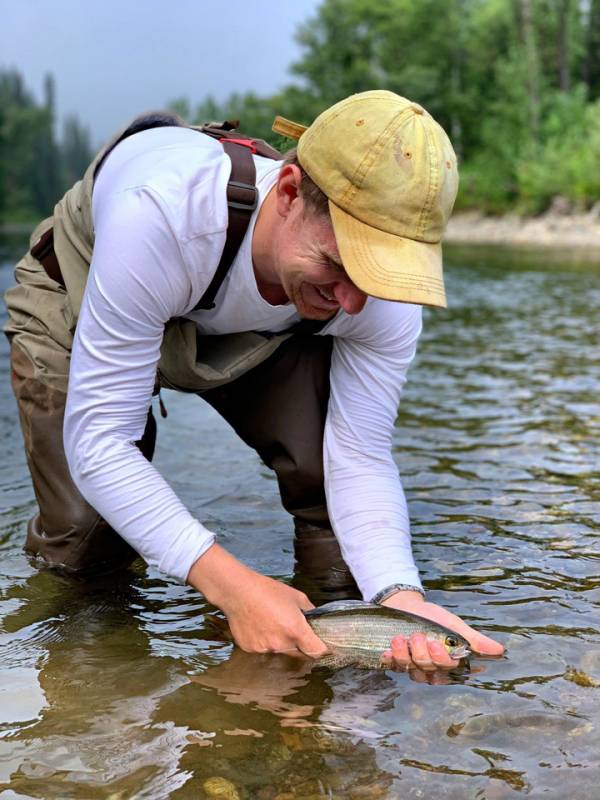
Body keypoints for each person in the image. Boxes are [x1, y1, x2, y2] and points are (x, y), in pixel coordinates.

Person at [4, 90, 504, 672]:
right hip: (84, 285)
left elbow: (361, 456)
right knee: (87, 535)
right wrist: (233, 587)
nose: (355, 300)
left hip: (252, 317)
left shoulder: (373, 299)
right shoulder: (160, 214)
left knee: (328, 491)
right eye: (341, 265)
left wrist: (403, 603)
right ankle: (92, 692)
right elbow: (101, 442)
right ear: (289, 193)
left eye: (382, 275)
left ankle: (330, 701)